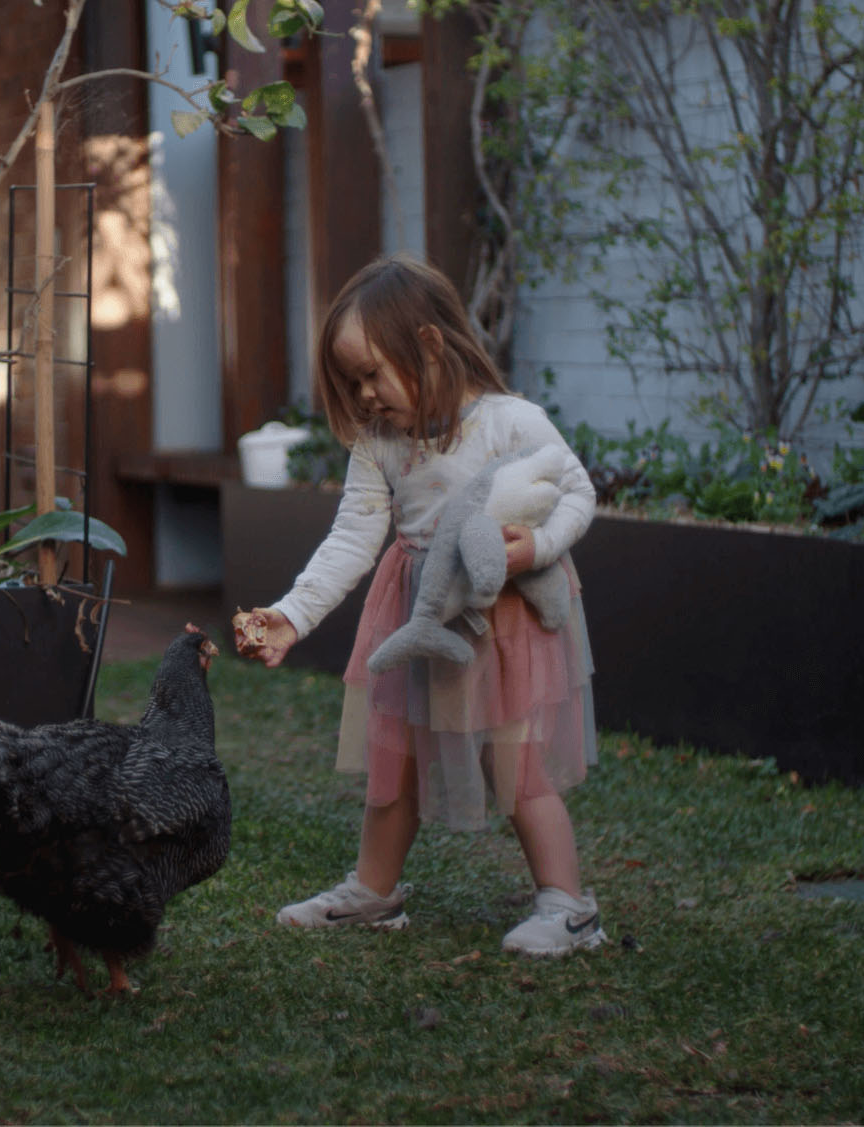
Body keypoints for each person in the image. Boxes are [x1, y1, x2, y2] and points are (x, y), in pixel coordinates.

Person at [232, 253, 602, 957]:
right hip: (416, 616)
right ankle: (375, 891)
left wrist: (539, 545)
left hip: (503, 622)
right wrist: (292, 613)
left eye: (372, 373)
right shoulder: (379, 447)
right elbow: (352, 537)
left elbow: (580, 491)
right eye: (352, 382)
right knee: (392, 760)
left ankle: (568, 905)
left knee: (513, 764)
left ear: (428, 344)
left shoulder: (510, 421)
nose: (365, 394)